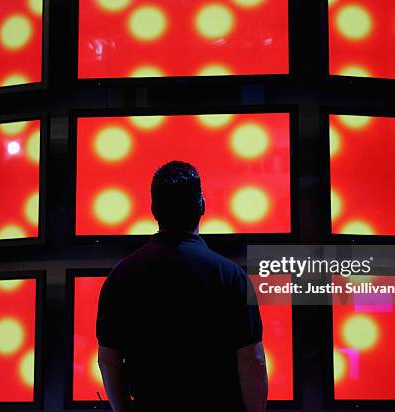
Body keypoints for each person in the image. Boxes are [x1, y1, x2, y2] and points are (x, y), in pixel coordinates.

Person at [96, 161, 268, 412]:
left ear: (154, 209)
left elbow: (108, 360)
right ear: (202, 206)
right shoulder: (231, 276)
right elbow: (253, 360)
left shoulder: (120, 276)